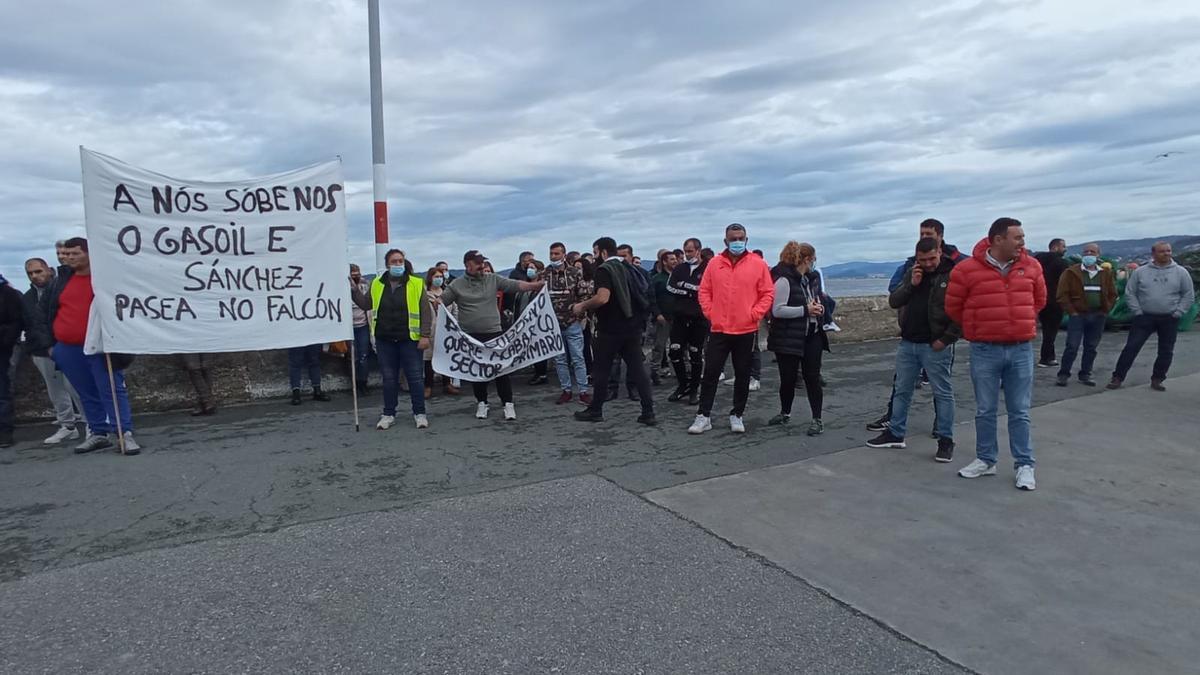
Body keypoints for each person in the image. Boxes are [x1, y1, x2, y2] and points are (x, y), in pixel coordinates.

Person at [945, 218, 1045, 491]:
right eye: (1017, 237)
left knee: (1019, 410)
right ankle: (986, 459)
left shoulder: (1032, 266)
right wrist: (980, 328)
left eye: (1023, 237)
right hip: (984, 349)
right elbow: (954, 307)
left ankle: (1025, 464)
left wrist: (1018, 323)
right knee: (985, 409)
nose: (1022, 242)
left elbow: (1039, 300)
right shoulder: (966, 270)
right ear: (997, 239)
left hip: (1021, 348)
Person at [24, 237, 141, 455]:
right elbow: (42, 314)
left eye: (74, 254)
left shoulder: (104, 278)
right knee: (85, 392)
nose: (68, 258)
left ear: (89, 253)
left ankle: (124, 433)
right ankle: (98, 432)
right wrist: (51, 347)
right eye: (66, 254)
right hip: (67, 347)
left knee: (111, 390)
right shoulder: (60, 281)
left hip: (101, 346)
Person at [867, 238, 960, 460]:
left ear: (940, 252)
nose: (927, 264)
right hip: (909, 342)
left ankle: (946, 441)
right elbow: (894, 301)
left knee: (942, 393)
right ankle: (896, 434)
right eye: (922, 260)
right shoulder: (912, 272)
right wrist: (912, 284)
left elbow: (961, 311)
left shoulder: (952, 275)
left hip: (934, 343)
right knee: (902, 389)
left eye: (931, 259)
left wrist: (946, 339)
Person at [688, 224, 774, 435]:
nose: (737, 241)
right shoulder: (715, 264)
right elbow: (704, 291)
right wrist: (711, 313)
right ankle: (703, 415)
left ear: (746, 239)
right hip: (719, 329)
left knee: (743, 374)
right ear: (725, 241)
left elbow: (767, 293)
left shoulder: (758, 264)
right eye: (733, 238)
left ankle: (737, 414)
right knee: (710, 373)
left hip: (745, 329)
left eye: (741, 237)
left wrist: (754, 314)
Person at [441, 250, 543, 420]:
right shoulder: (456, 285)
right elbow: (442, 302)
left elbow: (516, 285)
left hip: (494, 333)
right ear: (468, 265)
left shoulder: (493, 279)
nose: (482, 266)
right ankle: (482, 403)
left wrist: (536, 286)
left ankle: (508, 404)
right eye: (478, 263)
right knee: (478, 372)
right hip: (470, 336)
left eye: (483, 262)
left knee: (501, 370)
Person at [572, 237, 656, 426]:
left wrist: (582, 306)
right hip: (632, 325)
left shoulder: (605, 270)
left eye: (595, 253)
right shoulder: (629, 267)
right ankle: (648, 411)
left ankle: (596, 410)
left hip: (610, 327)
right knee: (637, 369)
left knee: (602, 369)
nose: (594, 258)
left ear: (603, 252)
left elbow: (602, 298)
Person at [1108, 242, 1194, 392]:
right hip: (1144, 317)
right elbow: (1130, 293)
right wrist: (1137, 311)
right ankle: (1117, 377)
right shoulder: (1141, 272)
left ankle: (1158, 379)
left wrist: (1179, 312)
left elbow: (1188, 295)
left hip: (1169, 318)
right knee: (1131, 348)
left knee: (1166, 351)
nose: (1166, 254)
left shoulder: (1181, 272)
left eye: (1168, 251)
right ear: (1153, 254)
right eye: (1162, 251)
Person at [766, 242, 830, 436]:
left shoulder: (810, 280)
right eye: (814, 259)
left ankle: (817, 419)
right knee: (788, 379)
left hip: (812, 335)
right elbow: (778, 310)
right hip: (788, 338)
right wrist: (806, 310)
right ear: (807, 259)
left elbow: (814, 300)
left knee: (813, 378)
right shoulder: (784, 281)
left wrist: (819, 308)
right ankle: (785, 412)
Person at [18, 257, 83, 444]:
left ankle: (91, 424)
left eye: (38, 271)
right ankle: (67, 426)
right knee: (55, 390)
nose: (35, 276)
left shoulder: (62, 289)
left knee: (76, 387)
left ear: (48, 269)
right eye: (30, 273)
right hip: (41, 350)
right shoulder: (27, 298)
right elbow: (27, 323)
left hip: (66, 346)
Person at [368, 249, 432, 430]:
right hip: (385, 339)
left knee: (415, 378)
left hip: (409, 339)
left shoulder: (416, 283)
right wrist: (352, 289)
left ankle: (419, 413)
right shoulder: (376, 284)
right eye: (394, 261)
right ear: (387, 264)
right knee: (389, 379)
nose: (398, 264)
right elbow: (366, 303)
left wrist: (424, 335)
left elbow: (425, 312)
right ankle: (388, 413)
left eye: (401, 261)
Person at [1055, 243, 1117, 387]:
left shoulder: (1105, 273)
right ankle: (1063, 374)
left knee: (1091, 347)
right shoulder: (1071, 272)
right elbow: (1062, 294)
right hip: (1078, 316)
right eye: (1086, 252)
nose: (1089, 254)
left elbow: (1113, 294)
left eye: (1092, 252)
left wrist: (1105, 309)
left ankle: (1085, 374)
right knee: (1072, 346)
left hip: (1098, 315)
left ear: (1098, 255)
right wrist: (1072, 312)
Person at [541, 242, 592, 405]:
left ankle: (583, 391)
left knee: (578, 358)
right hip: (553, 324)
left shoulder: (575, 272)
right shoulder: (544, 274)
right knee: (560, 359)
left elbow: (583, 295)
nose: (553, 257)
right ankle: (566, 390)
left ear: (564, 254)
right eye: (551, 254)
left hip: (572, 322)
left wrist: (580, 314)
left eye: (556, 254)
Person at [666, 238, 709, 405]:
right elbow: (670, 287)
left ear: (698, 250)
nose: (687, 255)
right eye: (685, 252)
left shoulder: (708, 267)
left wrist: (687, 286)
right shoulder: (680, 268)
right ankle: (682, 385)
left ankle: (694, 390)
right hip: (680, 317)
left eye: (690, 251)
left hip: (699, 318)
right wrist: (688, 290)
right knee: (675, 351)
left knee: (695, 353)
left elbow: (706, 289)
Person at [423, 266, 461, 399]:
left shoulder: (447, 293)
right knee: (428, 359)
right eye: (436, 277)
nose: (439, 279)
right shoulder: (424, 294)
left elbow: (455, 309)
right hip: (431, 330)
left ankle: (447, 384)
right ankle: (428, 386)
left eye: (440, 276)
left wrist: (454, 324)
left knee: (446, 358)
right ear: (430, 278)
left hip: (447, 330)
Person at [1034, 238, 1070, 367]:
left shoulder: (1037, 260)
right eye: (1063, 246)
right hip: (1055, 300)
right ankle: (1045, 358)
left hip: (1040, 299)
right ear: (1055, 247)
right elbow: (1066, 283)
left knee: (1046, 328)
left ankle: (1050, 356)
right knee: (1051, 330)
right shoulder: (1061, 263)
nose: (1065, 249)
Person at [0, 273, 24, 448]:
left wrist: (5, 341)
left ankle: (4, 433)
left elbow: (16, 321)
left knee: (2, 392)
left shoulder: (7, 293)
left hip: (2, 349)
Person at [650, 249, 677, 380]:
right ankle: (655, 371)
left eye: (675, 259)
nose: (675, 261)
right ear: (664, 262)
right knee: (659, 346)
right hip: (663, 318)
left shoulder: (679, 277)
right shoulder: (657, 279)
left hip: (678, 317)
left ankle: (683, 371)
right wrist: (657, 314)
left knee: (679, 346)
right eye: (672, 259)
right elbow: (651, 299)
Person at [349, 264, 373, 394]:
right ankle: (354, 383)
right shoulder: (342, 287)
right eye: (353, 274)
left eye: (357, 274)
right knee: (352, 357)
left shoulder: (366, 285)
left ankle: (363, 383)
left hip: (363, 325)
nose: (356, 276)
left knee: (363, 356)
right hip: (348, 327)